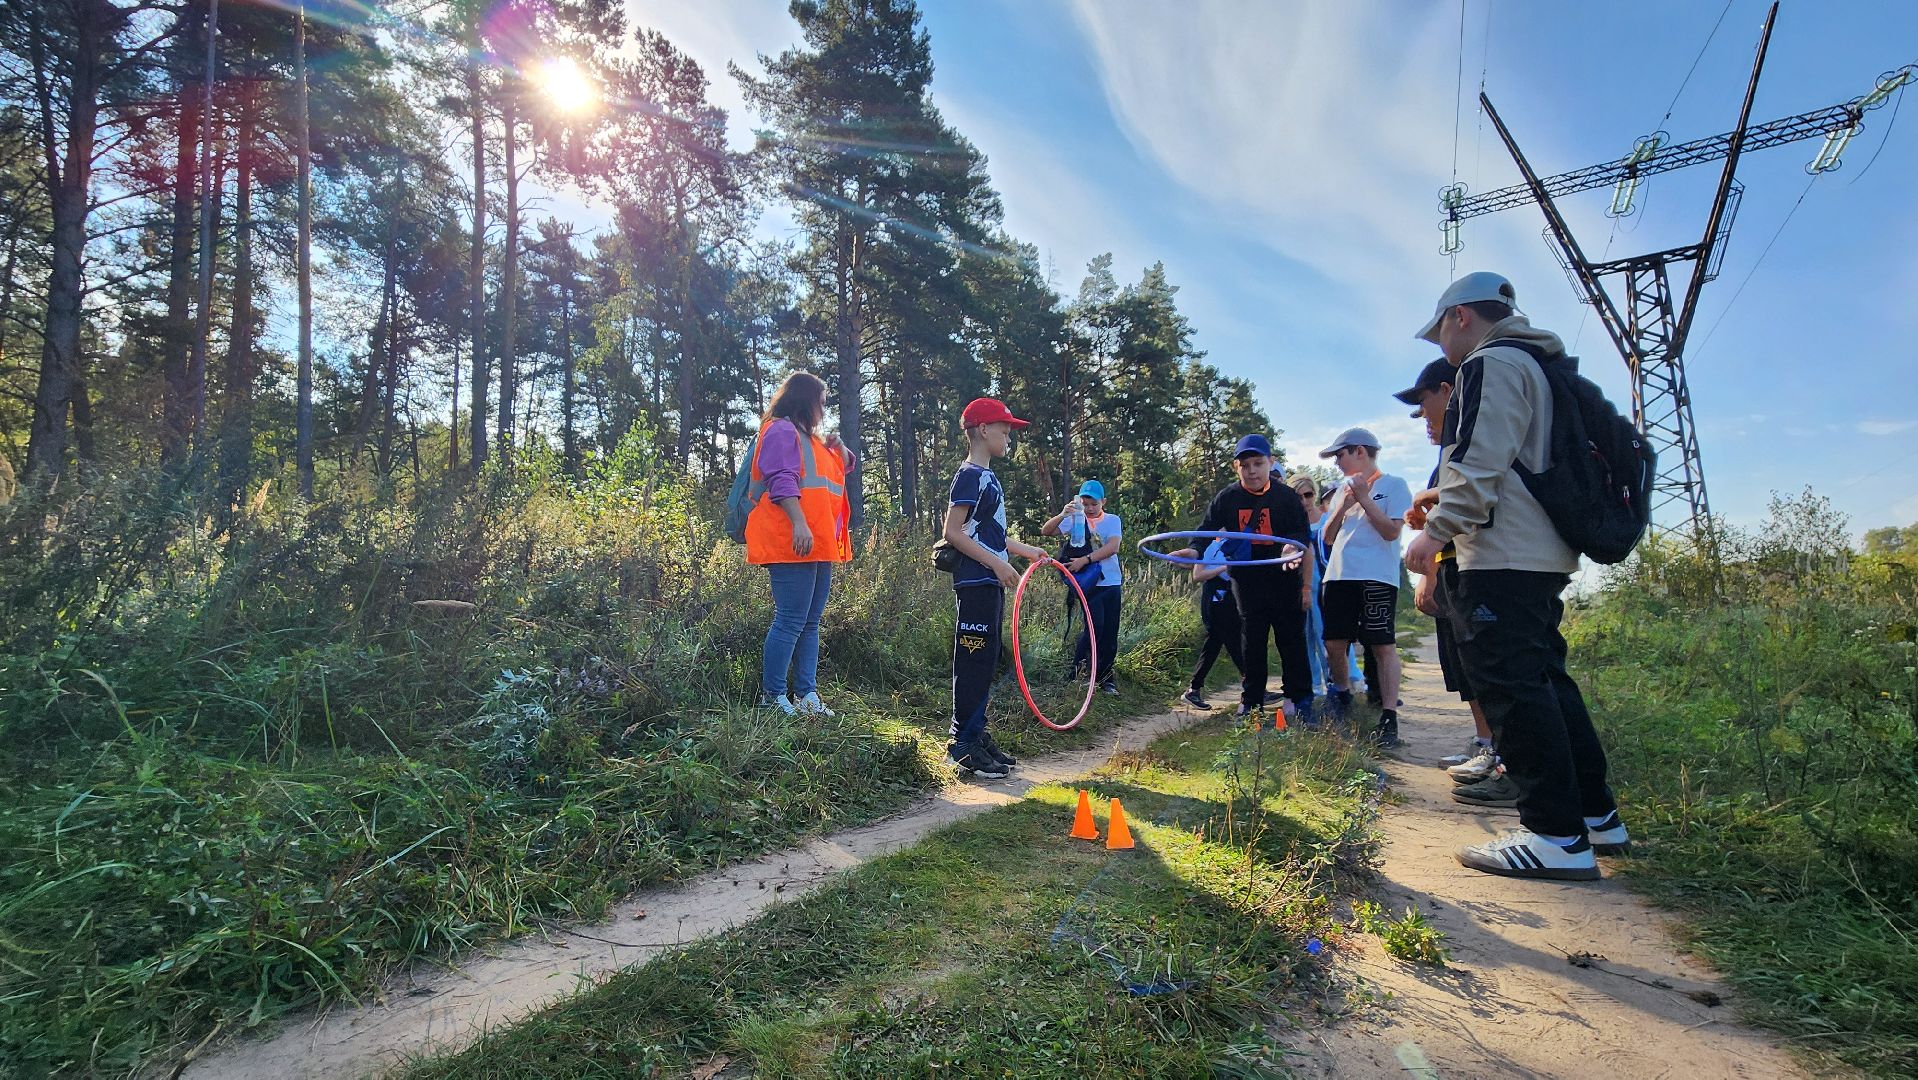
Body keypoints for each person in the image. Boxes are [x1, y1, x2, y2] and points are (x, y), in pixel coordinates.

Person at [1405, 271, 1629, 880]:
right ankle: (1594, 816)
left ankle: (1555, 835)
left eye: (1441, 332)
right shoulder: (1540, 363)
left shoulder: (1492, 363)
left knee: (1513, 688)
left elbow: (1481, 458)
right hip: (1539, 550)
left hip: (1503, 554)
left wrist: (1436, 531)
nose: (1442, 346)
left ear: (1460, 317)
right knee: (1546, 681)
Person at [1396, 358, 1508, 801]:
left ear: (1448, 391)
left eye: (1424, 404)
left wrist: (1430, 553)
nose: (1422, 418)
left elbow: (1482, 490)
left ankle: (1502, 756)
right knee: (1465, 665)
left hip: (1484, 569)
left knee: (1491, 666)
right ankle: (1489, 746)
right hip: (1456, 569)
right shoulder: (1450, 452)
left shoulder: (1473, 443)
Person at [943, 397, 1049, 780]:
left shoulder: (989, 478)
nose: (1010, 437)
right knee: (972, 663)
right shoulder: (969, 475)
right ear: (983, 430)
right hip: (975, 582)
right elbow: (952, 533)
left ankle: (974, 733)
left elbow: (990, 535)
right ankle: (962, 745)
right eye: (1005, 430)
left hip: (989, 580)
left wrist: (1023, 551)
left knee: (986, 661)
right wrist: (999, 563)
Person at [746, 372, 856, 717]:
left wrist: (841, 450)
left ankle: (807, 695)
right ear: (805, 400)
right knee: (791, 620)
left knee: (810, 622)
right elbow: (781, 480)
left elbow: (840, 471)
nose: (823, 409)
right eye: (821, 402)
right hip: (793, 539)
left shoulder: (811, 439)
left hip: (817, 542)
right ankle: (772, 696)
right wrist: (799, 523)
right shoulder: (780, 430)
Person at [1184, 434, 1316, 723]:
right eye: (1245, 465)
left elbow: (1301, 532)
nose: (1252, 470)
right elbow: (1206, 530)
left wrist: (1291, 547)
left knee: (1291, 638)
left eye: (1258, 463)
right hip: (1247, 578)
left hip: (1283, 576)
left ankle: (1298, 699)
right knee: (1252, 640)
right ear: (1236, 467)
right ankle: (1251, 701)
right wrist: (1194, 550)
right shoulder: (1227, 498)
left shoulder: (1286, 497)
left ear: (1271, 462)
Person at [1319, 428, 1412, 748]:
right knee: (1333, 642)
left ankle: (1388, 716)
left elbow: (1391, 532)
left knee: (1381, 644)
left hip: (1377, 577)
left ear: (1360, 451)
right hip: (1338, 576)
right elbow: (1328, 538)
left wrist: (1363, 500)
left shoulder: (1394, 485)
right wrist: (1343, 505)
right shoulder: (1340, 491)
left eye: (1339, 455)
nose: (1336, 463)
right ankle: (1341, 695)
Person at [1042, 480, 1123, 694]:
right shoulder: (1076, 519)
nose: (1089, 508)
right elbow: (1046, 531)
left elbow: (1113, 547)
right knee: (1093, 629)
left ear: (1103, 502)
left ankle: (1106, 678)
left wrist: (1085, 560)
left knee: (1110, 632)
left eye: (1093, 504)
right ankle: (1077, 674)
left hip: (1111, 583)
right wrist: (1063, 514)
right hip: (1089, 585)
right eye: (1085, 504)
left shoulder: (1113, 520)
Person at [1179, 535, 1242, 710]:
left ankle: (1194, 689)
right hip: (1215, 599)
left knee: (1215, 643)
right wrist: (1224, 568)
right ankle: (1251, 682)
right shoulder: (1209, 546)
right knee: (1232, 640)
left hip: (1230, 597)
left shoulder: (1236, 543)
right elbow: (1197, 575)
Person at [1291, 477, 1330, 699]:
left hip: (1324, 581)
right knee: (1304, 636)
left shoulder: (1326, 519)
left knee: (1325, 633)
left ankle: (1335, 681)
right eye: (1298, 495)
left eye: (1308, 495)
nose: (1304, 500)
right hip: (1297, 581)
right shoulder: (1290, 520)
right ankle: (1314, 686)